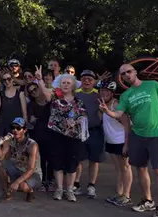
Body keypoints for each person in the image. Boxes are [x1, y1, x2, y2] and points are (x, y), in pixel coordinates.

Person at [100, 64, 158, 217]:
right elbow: (119, 113)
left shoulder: (153, 85)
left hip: (157, 134)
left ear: (135, 72)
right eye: (123, 74)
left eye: (129, 71)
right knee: (141, 169)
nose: (126, 75)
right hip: (138, 136)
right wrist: (107, 111)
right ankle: (148, 201)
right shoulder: (126, 95)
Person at [48, 74, 86, 202]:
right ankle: (59, 189)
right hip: (57, 135)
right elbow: (53, 117)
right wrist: (65, 123)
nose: (65, 85)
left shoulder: (79, 101)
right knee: (57, 162)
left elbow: (83, 116)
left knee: (72, 163)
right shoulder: (55, 101)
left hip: (73, 137)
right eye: (63, 83)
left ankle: (69, 190)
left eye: (68, 83)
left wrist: (75, 122)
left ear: (73, 86)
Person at [98, 80, 133, 207]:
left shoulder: (116, 104)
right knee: (118, 169)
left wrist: (126, 144)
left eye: (107, 91)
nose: (104, 93)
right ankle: (119, 193)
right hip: (111, 140)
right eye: (102, 91)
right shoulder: (102, 105)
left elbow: (126, 124)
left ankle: (127, 195)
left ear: (112, 93)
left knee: (125, 167)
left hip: (121, 141)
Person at [0, 117, 41, 203]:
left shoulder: (32, 145)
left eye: (18, 128)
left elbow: (31, 169)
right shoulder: (9, 140)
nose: (15, 130)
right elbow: (1, 157)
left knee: (21, 185)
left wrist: (16, 182)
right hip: (18, 167)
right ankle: (7, 192)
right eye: (13, 127)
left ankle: (30, 192)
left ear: (24, 130)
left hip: (34, 173)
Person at [73, 70, 103, 198]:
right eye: (84, 78)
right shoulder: (75, 94)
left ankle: (91, 185)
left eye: (90, 79)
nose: (86, 81)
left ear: (94, 81)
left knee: (94, 160)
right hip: (79, 131)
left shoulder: (99, 94)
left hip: (95, 130)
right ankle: (76, 183)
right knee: (79, 159)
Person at [26, 72, 54, 192]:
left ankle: (51, 181)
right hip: (38, 135)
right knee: (41, 159)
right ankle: (43, 181)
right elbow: (31, 119)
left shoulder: (48, 100)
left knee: (51, 158)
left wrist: (40, 78)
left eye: (35, 89)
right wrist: (32, 119)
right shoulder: (31, 104)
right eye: (31, 91)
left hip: (51, 134)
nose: (34, 92)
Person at [0, 71, 27, 138]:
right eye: (4, 80)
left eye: (9, 79)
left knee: (17, 147)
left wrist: (24, 129)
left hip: (17, 127)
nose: (7, 81)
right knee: (1, 147)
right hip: (3, 127)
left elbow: (24, 114)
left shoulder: (20, 94)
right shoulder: (0, 94)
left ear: (12, 79)